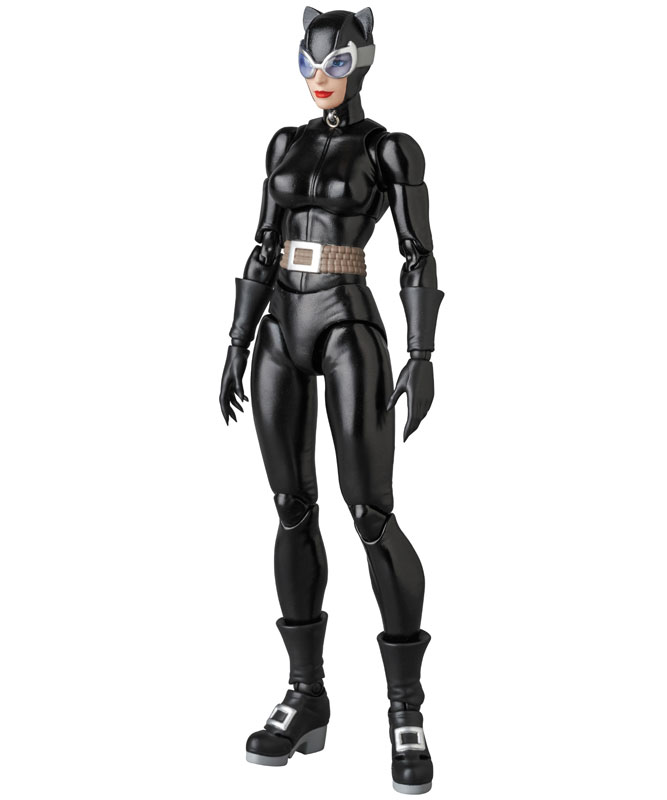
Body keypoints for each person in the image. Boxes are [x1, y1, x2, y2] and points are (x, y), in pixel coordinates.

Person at [219, 7, 444, 794]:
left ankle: (405, 708)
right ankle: (304, 696)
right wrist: (236, 340)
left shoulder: (389, 149)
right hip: (280, 324)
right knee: (290, 507)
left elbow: (418, 253)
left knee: (370, 513)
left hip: (348, 321)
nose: (321, 76)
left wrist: (422, 352)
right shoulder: (284, 143)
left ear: (364, 59)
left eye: (337, 61)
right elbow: (261, 244)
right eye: (309, 60)